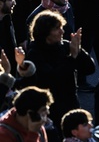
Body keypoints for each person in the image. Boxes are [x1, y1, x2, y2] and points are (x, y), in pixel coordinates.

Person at [22, 11, 95, 140]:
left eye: (61, 27)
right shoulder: (34, 54)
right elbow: (52, 78)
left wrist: (78, 51)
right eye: (57, 28)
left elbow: (89, 68)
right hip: (50, 109)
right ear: (45, 32)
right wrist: (72, 58)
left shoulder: (65, 46)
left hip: (70, 102)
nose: (62, 32)